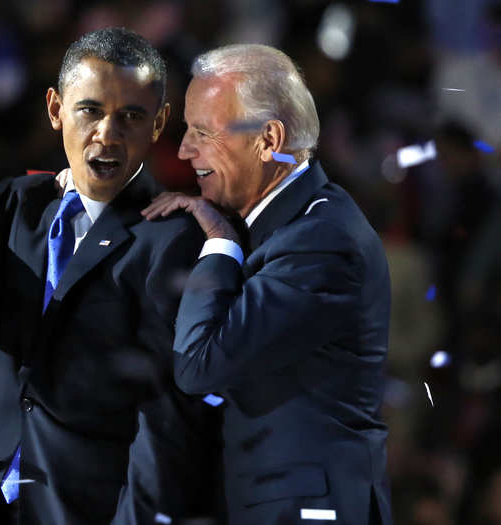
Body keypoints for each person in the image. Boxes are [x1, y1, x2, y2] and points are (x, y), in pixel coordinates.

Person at [0, 28, 222, 525]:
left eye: (131, 116)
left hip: (82, 510)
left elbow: (165, 412)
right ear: (55, 109)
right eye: (90, 110)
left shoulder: (172, 239)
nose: (107, 134)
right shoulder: (15, 204)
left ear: (158, 125)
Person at [143, 44, 392, 525]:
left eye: (203, 132)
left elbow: (199, 364)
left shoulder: (319, 240)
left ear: (268, 138)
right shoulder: (293, 224)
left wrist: (218, 241)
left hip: (310, 511)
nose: (183, 150)